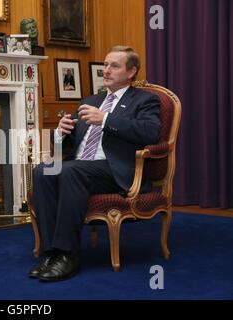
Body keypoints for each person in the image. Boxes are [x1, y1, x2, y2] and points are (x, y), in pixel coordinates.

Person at [30, 46, 161, 282]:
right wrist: (61, 133)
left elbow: (150, 132)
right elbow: (70, 142)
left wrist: (107, 119)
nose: (106, 70)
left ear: (131, 72)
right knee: (43, 171)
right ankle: (51, 254)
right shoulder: (91, 100)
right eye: (105, 64)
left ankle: (68, 255)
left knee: (71, 170)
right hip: (81, 165)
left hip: (114, 169)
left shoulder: (145, 100)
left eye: (114, 66)